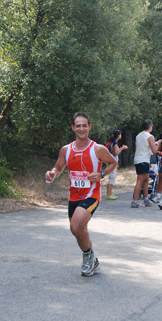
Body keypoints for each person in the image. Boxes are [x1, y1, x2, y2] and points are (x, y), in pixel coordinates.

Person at [45, 112, 117, 277]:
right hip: (74, 197)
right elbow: (58, 167)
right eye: (78, 125)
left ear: (89, 127)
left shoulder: (97, 149)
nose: (81, 128)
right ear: (73, 128)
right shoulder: (66, 150)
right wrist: (52, 174)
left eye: (85, 125)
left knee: (75, 226)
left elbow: (113, 162)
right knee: (79, 230)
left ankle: (87, 256)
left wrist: (102, 174)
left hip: (91, 195)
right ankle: (92, 259)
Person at [131, 119, 159, 208]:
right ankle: (135, 201)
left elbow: (136, 148)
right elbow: (154, 150)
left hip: (139, 159)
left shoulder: (138, 136)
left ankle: (146, 199)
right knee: (140, 180)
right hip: (143, 160)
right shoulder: (150, 136)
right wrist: (157, 146)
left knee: (146, 179)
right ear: (150, 126)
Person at [105, 129, 128, 200]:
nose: (121, 135)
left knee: (112, 177)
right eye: (120, 134)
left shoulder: (114, 142)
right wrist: (122, 148)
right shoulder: (115, 143)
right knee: (111, 178)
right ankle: (108, 194)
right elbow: (116, 153)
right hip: (112, 163)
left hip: (112, 162)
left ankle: (110, 193)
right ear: (118, 136)